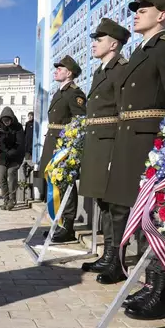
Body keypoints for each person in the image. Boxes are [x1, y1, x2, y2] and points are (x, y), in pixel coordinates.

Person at [105, 0, 165, 320]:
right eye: (137, 8)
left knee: (156, 218)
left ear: (162, 15)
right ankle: (149, 286)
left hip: (152, 145)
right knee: (140, 218)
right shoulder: (142, 52)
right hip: (131, 143)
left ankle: (163, 293)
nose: (137, 12)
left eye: (145, 8)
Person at [78, 18, 131, 285]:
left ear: (113, 44)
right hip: (98, 143)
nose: (94, 45)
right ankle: (108, 254)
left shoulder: (121, 69)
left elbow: (124, 112)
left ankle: (117, 260)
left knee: (117, 206)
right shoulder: (101, 71)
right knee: (104, 202)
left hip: (112, 142)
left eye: (99, 40)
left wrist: (118, 151)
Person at [39, 55, 87, 243]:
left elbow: (80, 121)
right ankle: (58, 223)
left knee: (65, 183)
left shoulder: (74, 93)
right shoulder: (60, 92)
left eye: (60, 69)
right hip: (53, 141)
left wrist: (68, 146)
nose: (56, 71)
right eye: (56, 68)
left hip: (63, 145)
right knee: (56, 184)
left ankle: (68, 226)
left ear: (69, 73)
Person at [0, 107, 25, 210]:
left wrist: (10, 153)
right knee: (1, 177)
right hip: (2, 156)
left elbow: (20, 144)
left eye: (8, 121)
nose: (6, 123)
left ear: (12, 119)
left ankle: (12, 199)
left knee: (11, 174)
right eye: (4, 121)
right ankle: (5, 199)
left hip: (15, 156)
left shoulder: (18, 127)